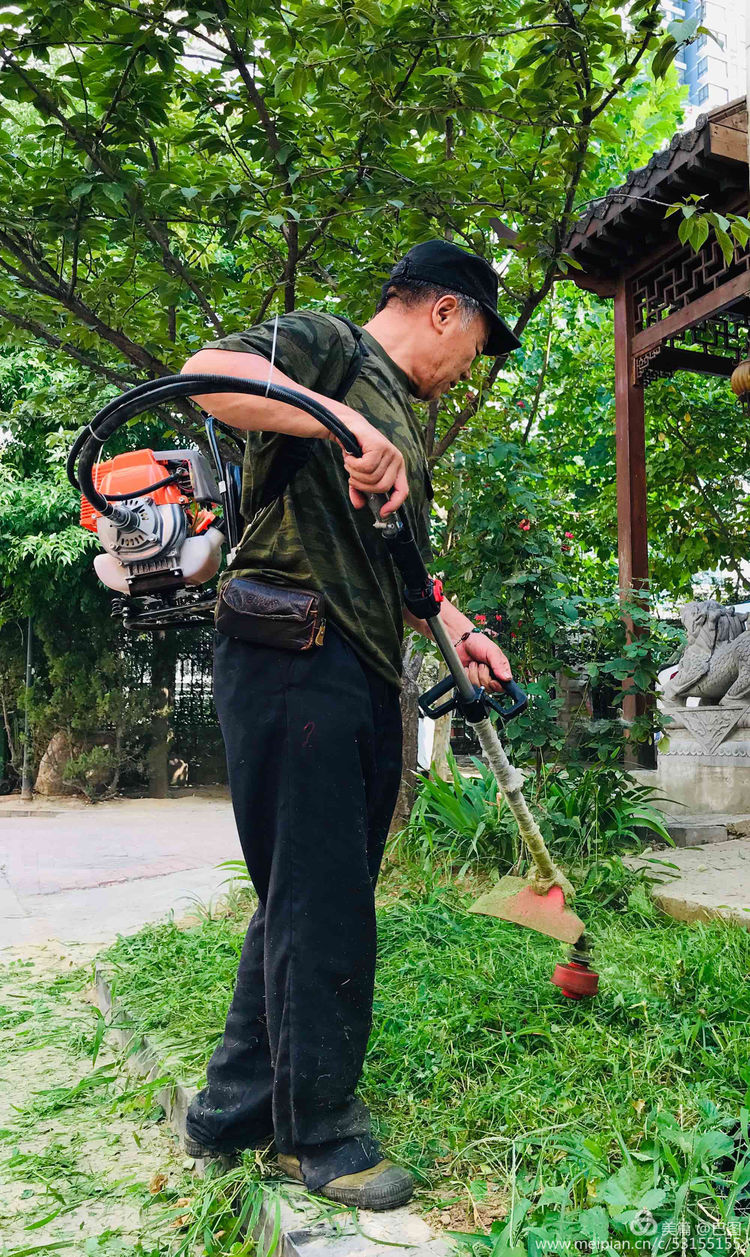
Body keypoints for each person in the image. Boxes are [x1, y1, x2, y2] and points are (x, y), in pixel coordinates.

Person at [179, 239, 521, 1211]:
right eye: (476, 346)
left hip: (354, 664)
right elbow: (208, 373)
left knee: (304, 892)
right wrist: (340, 421)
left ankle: (233, 1108)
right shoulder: (334, 347)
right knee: (323, 899)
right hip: (294, 649)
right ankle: (318, 1136)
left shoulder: (399, 419)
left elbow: (399, 570)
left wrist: (461, 632)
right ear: (446, 311)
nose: (466, 373)